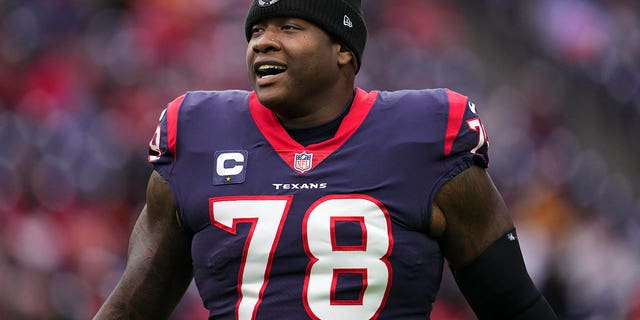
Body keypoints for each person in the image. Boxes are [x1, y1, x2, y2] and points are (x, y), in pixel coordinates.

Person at [94, 0, 558, 319]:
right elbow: (132, 307)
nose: (263, 42)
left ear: (343, 49)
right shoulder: (196, 133)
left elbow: (513, 306)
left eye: (288, 28)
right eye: (256, 31)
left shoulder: (424, 135)